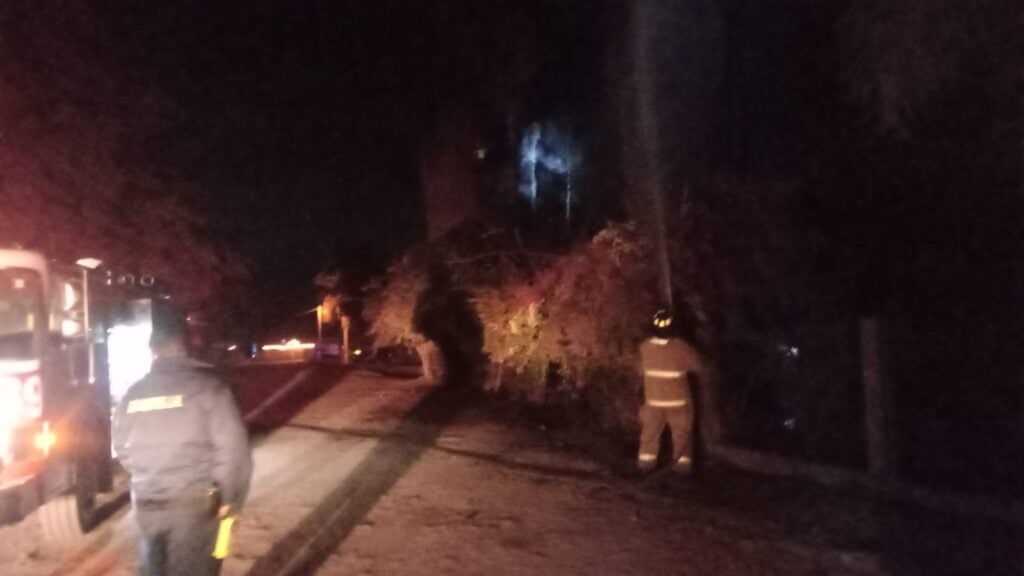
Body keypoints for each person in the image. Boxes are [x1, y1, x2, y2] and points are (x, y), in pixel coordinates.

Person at [113, 311, 252, 576]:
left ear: (152, 352)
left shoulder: (132, 394)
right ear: (186, 347)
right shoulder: (210, 387)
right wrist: (230, 499)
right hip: (194, 505)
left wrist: (148, 476)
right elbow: (234, 451)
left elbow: (121, 447)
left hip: (145, 503)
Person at [636, 309, 707, 475]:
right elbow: (699, 366)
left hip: (653, 403)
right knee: (682, 439)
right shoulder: (681, 347)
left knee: (649, 438)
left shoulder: (645, 348)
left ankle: (644, 467)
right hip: (678, 404)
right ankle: (682, 472)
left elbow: (639, 369)